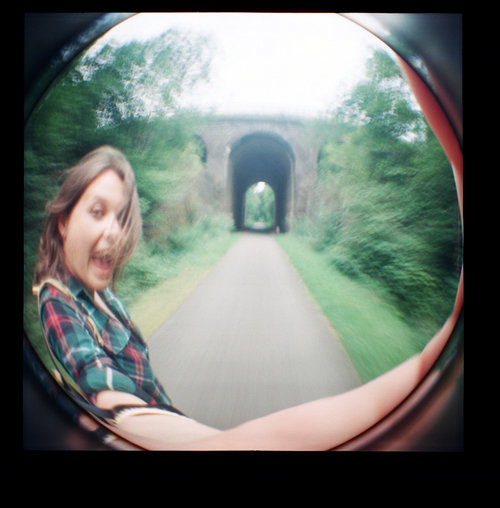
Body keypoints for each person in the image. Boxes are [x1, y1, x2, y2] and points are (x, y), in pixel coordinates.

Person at [32, 142, 461, 451]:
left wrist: (429, 365)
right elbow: (108, 396)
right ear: (63, 221)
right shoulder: (56, 302)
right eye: (97, 212)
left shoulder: (102, 297)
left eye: (123, 217)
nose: (114, 232)